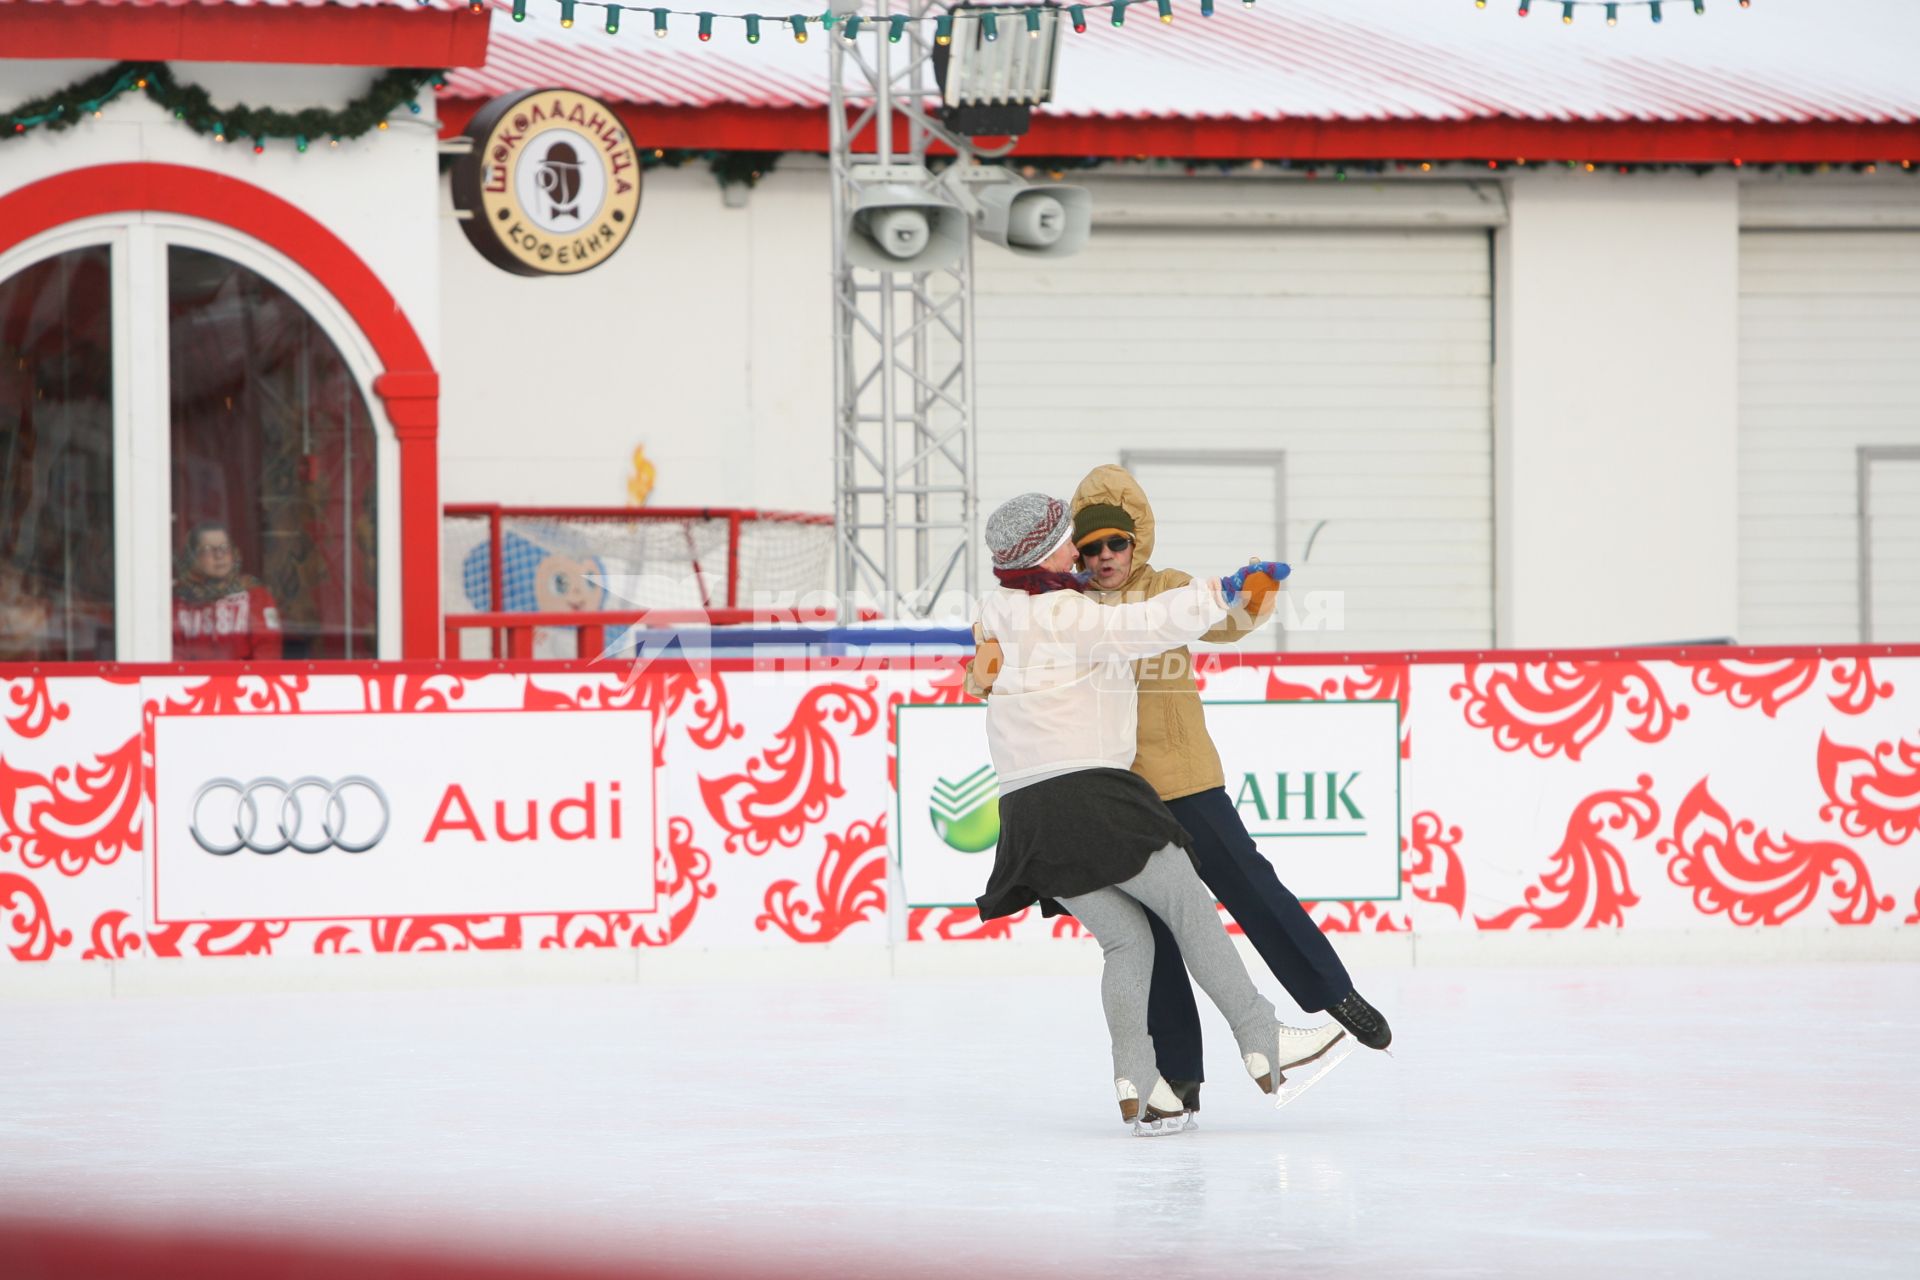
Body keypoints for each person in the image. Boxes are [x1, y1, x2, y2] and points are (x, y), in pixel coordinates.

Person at [974, 466, 1390, 1116]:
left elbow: (1219, 623)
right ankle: (1194, 1071)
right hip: (1113, 796)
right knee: (1164, 934)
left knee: (1228, 898)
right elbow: (1085, 634)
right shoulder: (1071, 606)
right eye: (1089, 546)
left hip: (1167, 780)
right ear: (1068, 550)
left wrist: (1243, 594)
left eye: (1116, 543)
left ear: (1136, 542)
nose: (1103, 556)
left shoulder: (1148, 589)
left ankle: (1317, 999)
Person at [172, 521, 283, 661]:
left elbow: (268, 650)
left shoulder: (255, 596)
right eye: (207, 549)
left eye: (225, 548)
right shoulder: (179, 601)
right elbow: (172, 653)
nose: (219, 555)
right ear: (192, 557)